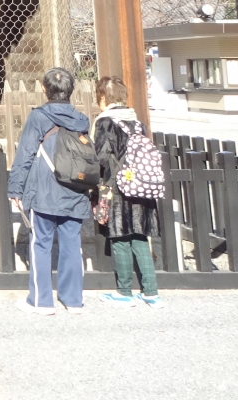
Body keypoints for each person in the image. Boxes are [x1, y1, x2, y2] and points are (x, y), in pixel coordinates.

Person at [8, 66, 91, 315]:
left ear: (45, 89)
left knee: (41, 244)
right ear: (70, 90)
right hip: (74, 189)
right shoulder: (81, 119)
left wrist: (16, 189)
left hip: (44, 188)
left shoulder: (38, 117)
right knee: (72, 244)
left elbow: (26, 153)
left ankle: (41, 301)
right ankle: (73, 300)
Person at [93, 76, 162, 307]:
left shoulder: (105, 122)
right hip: (141, 185)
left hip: (118, 186)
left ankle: (124, 292)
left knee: (120, 238)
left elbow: (101, 157)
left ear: (103, 98)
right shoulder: (137, 122)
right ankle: (151, 293)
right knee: (140, 237)